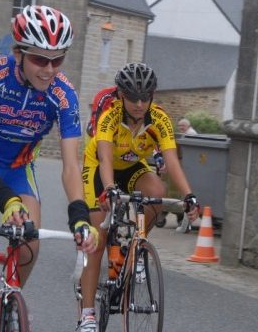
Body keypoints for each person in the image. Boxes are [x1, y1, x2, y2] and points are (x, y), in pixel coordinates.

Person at [0, 5, 98, 308]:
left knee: (31, 244)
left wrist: (80, 218)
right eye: (40, 59)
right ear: (18, 53)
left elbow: (71, 166)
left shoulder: (64, 94)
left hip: (18, 170)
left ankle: (6, 306)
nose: (50, 69)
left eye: (58, 60)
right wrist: (7, 201)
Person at [77, 62, 200, 331]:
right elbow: (105, 158)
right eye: (133, 97)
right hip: (100, 166)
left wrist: (189, 195)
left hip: (132, 166)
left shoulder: (159, 120)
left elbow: (171, 161)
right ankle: (87, 315)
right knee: (97, 241)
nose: (139, 103)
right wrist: (109, 188)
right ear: (121, 94)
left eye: (145, 97)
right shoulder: (110, 115)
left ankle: (136, 246)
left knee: (157, 192)